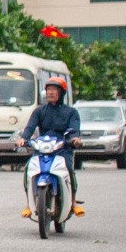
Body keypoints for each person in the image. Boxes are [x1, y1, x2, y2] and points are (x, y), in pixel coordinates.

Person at [17, 76, 83, 215]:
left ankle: (73, 201)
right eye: (48, 89)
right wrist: (23, 139)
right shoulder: (40, 111)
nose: (50, 93)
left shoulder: (71, 112)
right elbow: (30, 127)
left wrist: (75, 139)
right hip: (43, 148)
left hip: (63, 148)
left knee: (69, 170)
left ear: (62, 93)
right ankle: (29, 203)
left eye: (54, 89)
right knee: (29, 168)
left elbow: (75, 130)